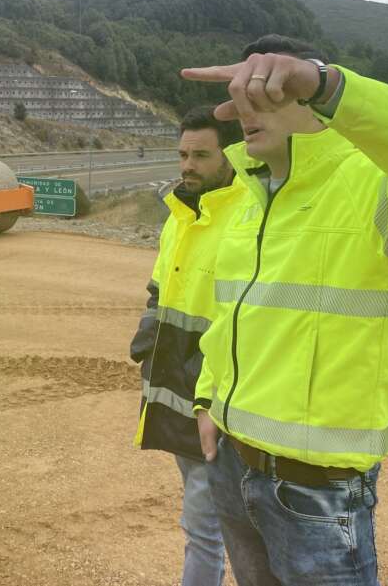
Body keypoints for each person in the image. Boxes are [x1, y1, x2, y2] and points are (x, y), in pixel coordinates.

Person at [181, 34, 388, 586]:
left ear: (311, 100)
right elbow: (234, 318)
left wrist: (331, 85)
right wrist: (207, 399)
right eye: (241, 93)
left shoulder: (377, 187)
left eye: (268, 91)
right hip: (233, 467)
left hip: (315, 491)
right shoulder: (251, 195)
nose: (245, 108)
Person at [130, 108, 243, 586]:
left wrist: (213, 391)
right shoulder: (179, 214)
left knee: (206, 530)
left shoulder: (246, 218)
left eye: (201, 155)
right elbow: (160, 287)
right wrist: (147, 334)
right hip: (176, 390)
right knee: (209, 525)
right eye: (182, 154)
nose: (188, 165)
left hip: (217, 401)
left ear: (229, 156)